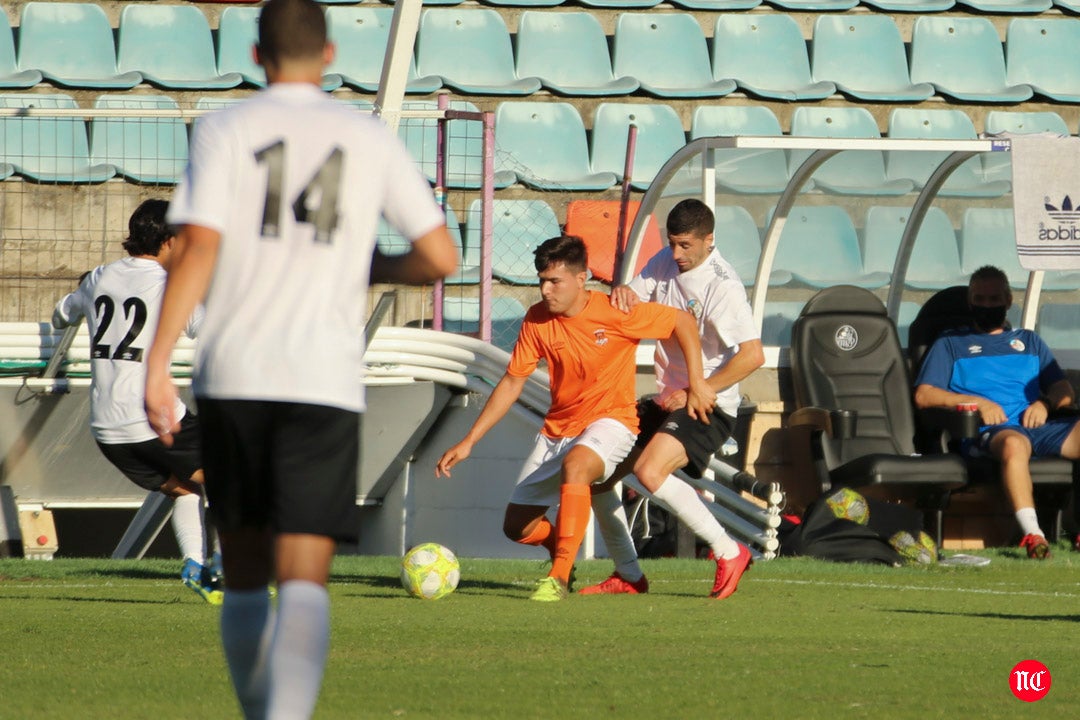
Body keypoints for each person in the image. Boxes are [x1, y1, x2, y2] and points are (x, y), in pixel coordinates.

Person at [142, 0, 458, 716]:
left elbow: (199, 250)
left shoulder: (223, 129)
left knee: (247, 575)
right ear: (330, 53)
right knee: (306, 580)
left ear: (256, 57)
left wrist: (156, 364)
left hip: (235, 377)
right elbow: (441, 255)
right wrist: (370, 260)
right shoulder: (364, 136)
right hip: (323, 382)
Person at [435, 234, 714, 602]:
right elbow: (512, 381)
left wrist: (697, 381)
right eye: (541, 280)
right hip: (556, 431)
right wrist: (470, 440)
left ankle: (559, 576)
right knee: (516, 527)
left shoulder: (616, 310)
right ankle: (561, 549)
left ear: (581, 279)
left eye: (555, 281)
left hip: (612, 422)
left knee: (579, 465)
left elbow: (681, 321)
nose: (545, 290)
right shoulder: (536, 320)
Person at [581, 198, 765, 599]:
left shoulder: (723, 286)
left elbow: (754, 355)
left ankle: (729, 552)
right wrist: (625, 293)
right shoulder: (665, 260)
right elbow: (634, 293)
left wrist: (701, 389)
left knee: (648, 472)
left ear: (708, 240)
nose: (677, 254)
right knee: (598, 476)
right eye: (673, 243)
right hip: (669, 399)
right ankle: (628, 573)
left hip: (707, 405)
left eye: (686, 246)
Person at [52, 199, 220, 604]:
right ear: (167, 241)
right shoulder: (171, 285)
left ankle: (195, 567)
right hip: (154, 419)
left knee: (184, 489)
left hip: (107, 429)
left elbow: (61, 315)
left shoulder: (97, 277)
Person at [914, 265, 1080, 559]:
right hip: (990, 430)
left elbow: (1063, 390)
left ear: (1008, 301)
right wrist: (977, 403)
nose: (987, 306)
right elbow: (925, 394)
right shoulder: (950, 343)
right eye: (980, 299)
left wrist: (1044, 404)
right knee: (1015, 444)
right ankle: (1033, 535)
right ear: (970, 303)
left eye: (994, 300)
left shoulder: (1030, 341)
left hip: (1037, 424)